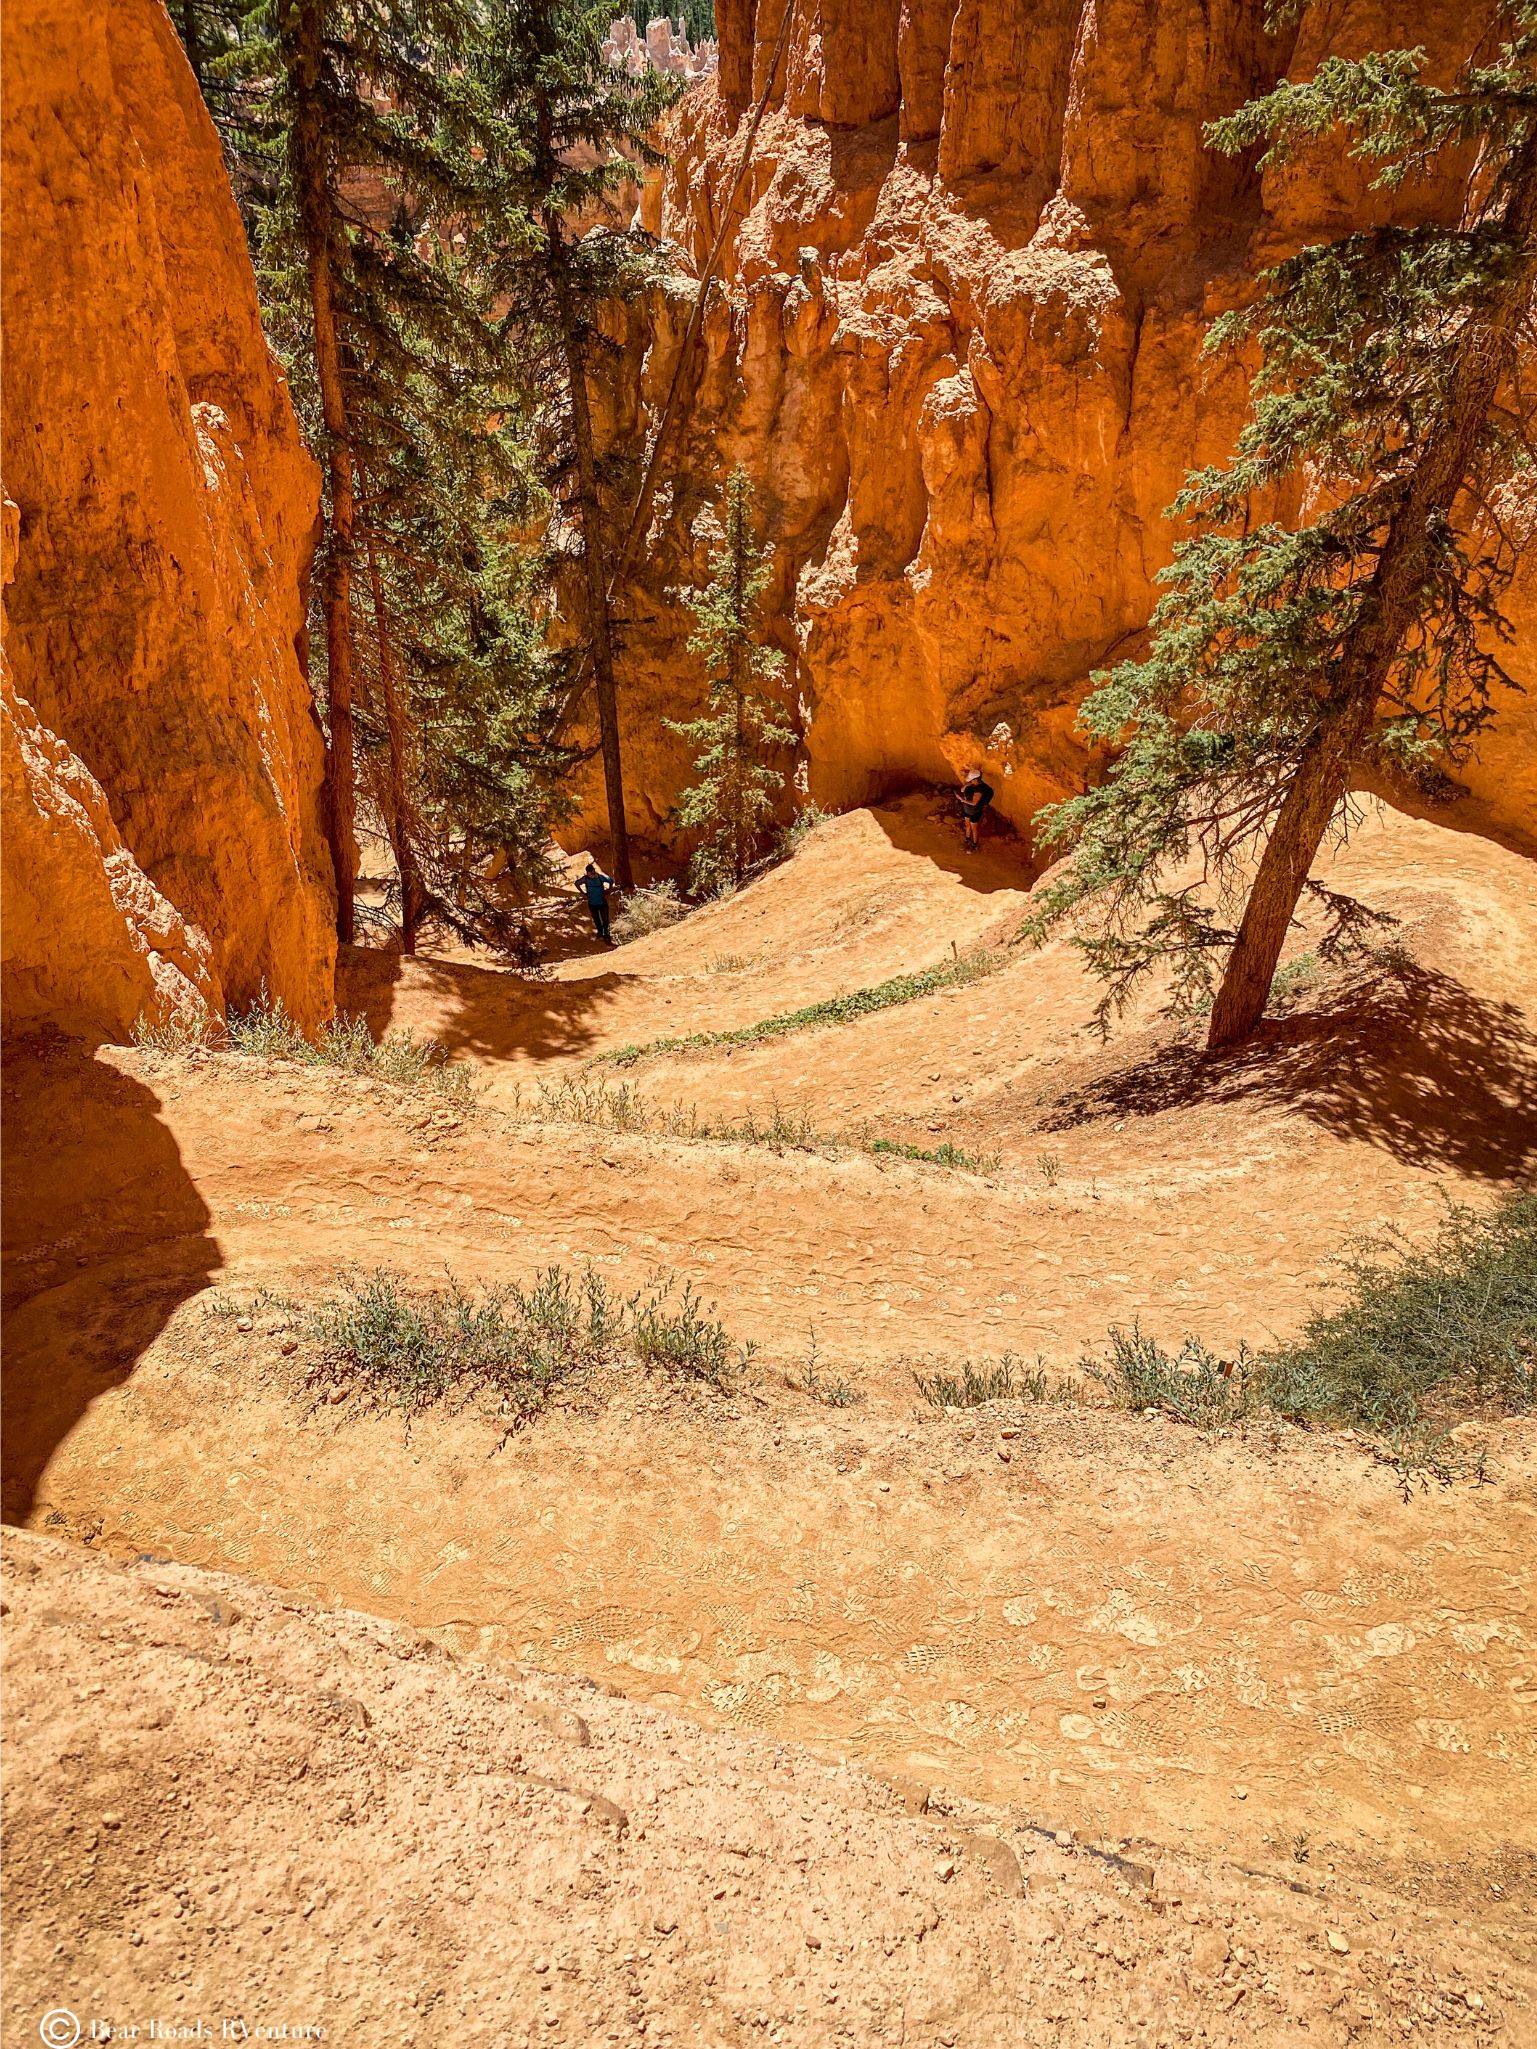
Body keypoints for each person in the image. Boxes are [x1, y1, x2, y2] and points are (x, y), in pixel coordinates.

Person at [576, 859, 616, 943]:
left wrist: (609, 890)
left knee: (605, 920)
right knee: (596, 919)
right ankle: (600, 933)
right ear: (587, 873)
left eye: (593, 872)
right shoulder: (585, 879)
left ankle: (607, 935)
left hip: (602, 902)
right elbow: (577, 883)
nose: (593, 875)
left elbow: (610, 880)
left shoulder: (600, 877)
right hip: (592, 903)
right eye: (591, 873)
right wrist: (583, 893)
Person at [957, 766, 994, 852]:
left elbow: (974, 803)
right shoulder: (972, 785)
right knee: (967, 825)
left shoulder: (979, 790)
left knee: (974, 828)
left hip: (975, 811)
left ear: (976, 779)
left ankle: (974, 845)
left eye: (972, 780)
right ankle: (967, 840)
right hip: (967, 809)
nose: (970, 781)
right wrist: (967, 784)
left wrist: (962, 800)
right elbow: (962, 790)